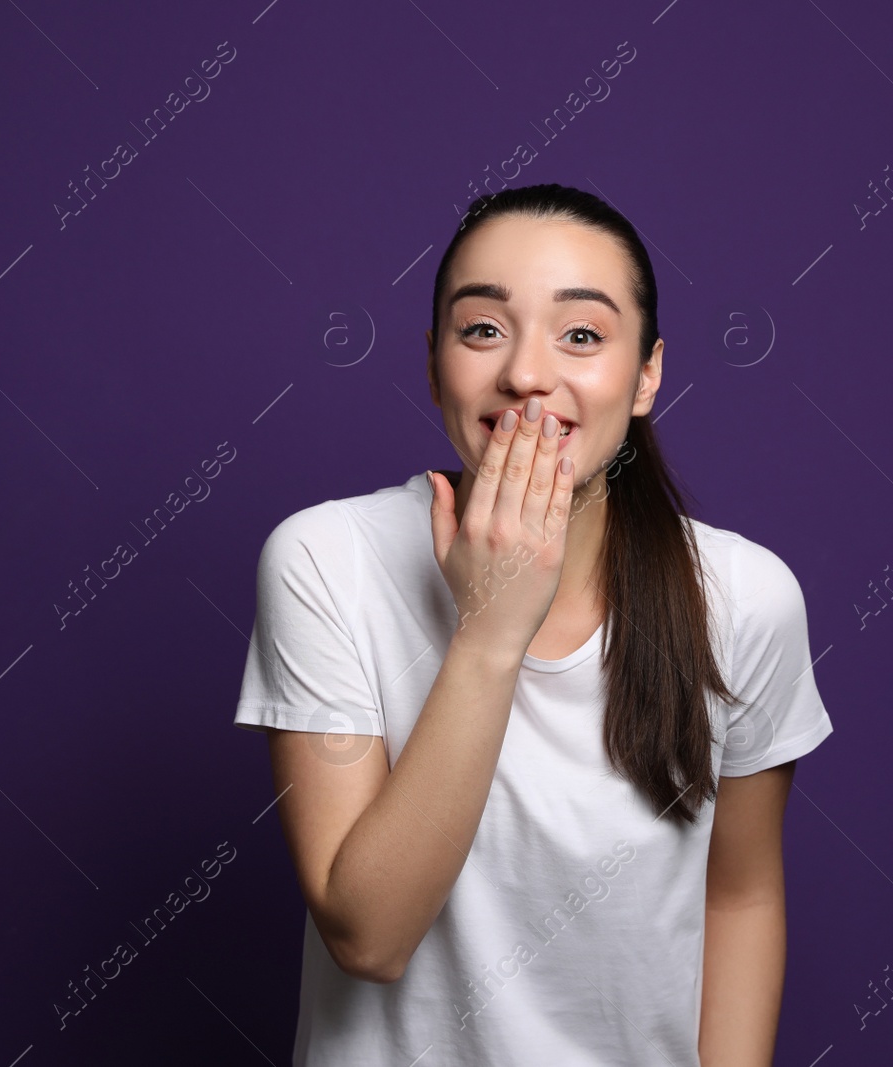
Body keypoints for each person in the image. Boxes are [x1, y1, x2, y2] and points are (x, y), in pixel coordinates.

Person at [233, 183, 833, 1065]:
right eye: (483, 329)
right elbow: (369, 938)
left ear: (647, 375)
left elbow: (739, 895)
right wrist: (488, 632)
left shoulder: (746, 596)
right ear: (435, 365)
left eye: (582, 335)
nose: (525, 373)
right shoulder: (326, 560)